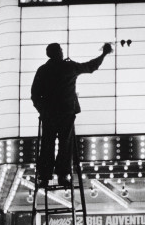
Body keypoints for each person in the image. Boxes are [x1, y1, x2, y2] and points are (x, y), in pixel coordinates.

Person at [31, 42, 113, 187]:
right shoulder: (68, 67)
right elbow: (91, 66)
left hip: (49, 113)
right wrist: (104, 54)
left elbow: (35, 93)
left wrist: (42, 110)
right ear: (59, 53)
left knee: (47, 144)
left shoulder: (43, 70)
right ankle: (62, 175)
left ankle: (44, 176)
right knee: (65, 144)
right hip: (66, 112)